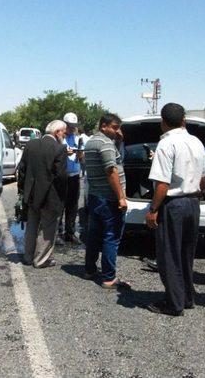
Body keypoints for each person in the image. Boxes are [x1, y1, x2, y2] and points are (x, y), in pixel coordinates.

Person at [144, 103, 205, 316]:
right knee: (186, 253)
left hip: (174, 205)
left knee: (169, 254)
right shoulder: (196, 141)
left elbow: (162, 184)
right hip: (193, 202)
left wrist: (153, 209)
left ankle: (173, 303)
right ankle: (187, 297)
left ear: (163, 122)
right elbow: (204, 177)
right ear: (184, 121)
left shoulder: (166, 144)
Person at [83, 113, 130, 288]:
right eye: (115, 127)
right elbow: (111, 171)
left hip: (95, 196)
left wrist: (118, 141)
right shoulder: (105, 144)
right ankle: (109, 277)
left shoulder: (91, 142)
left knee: (94, 235)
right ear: (104, 126)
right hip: (109, 199)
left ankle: (89, 270)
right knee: (111, 236)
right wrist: (121, 197)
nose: (118, 131)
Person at [18, 120, 67, 268]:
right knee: (47, 228)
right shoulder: (59, 148)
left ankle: (28, 257)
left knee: (32, 225)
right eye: (64, 132)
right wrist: (62, 199)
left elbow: (22, 170)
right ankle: (40, 259)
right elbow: (61, 177)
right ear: (57, 132)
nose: (64, 135)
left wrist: (22, 191)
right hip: (50, 196)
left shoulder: (31, 145)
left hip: (31, 194)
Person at [58, 112, 83, 244]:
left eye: (74, 126)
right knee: (60, 205)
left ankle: (70, 232)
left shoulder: (77, 138)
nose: (72, 128)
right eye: (69, 126)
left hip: (74, 176)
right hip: (62, 177)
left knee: (72, 205)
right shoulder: (59, 138)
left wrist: (80, 153)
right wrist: (63, 152)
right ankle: (57, 232)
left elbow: (81, 159)